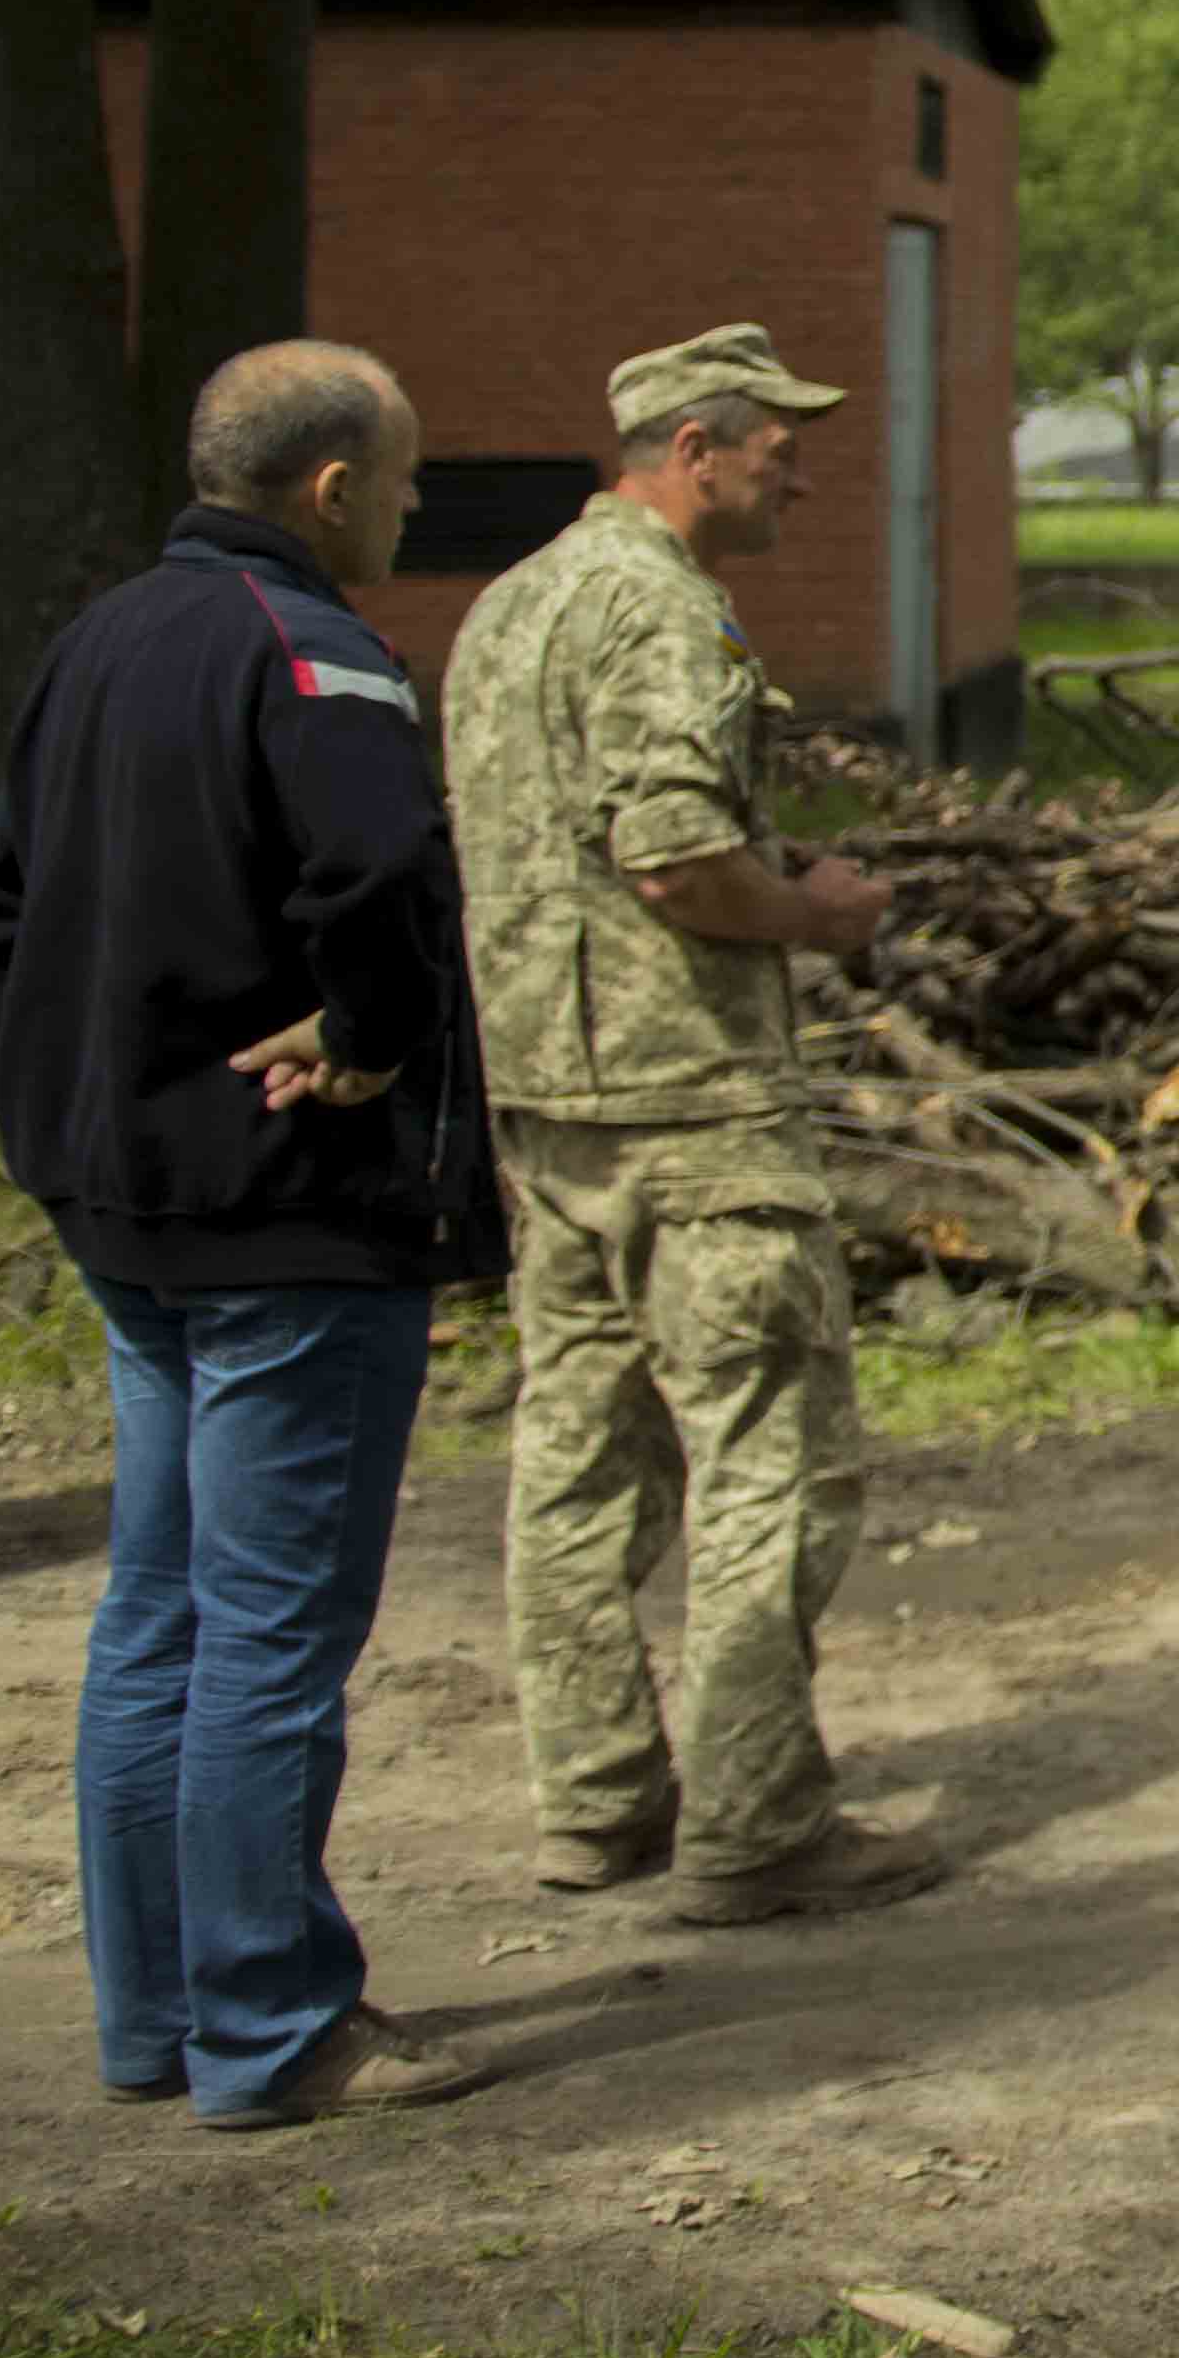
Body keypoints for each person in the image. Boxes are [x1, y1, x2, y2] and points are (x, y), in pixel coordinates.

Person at [0, 342, 512, 2128]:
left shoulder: (92, 642)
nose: (414, 509)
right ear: (332, 487)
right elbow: (382, 884)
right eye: (406, 480)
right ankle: (272, 2029)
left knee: (160, 1614)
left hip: (123, 1202)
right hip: (285, 1213)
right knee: (268, 1629)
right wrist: (362, 1040)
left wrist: (92, 1077)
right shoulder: (319, 652)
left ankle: (158, 2019)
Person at [446, 325, 945, 1929]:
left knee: (579, 1462)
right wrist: (818, 911)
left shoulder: (508, 606)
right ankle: (757, 1821)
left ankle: (595, 1802)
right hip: (693, 1106)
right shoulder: (660, 612)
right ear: (693, 446)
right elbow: (672, 858)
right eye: (775, 439)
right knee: (769, 1451)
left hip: (550, 1100)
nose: (797, 462)